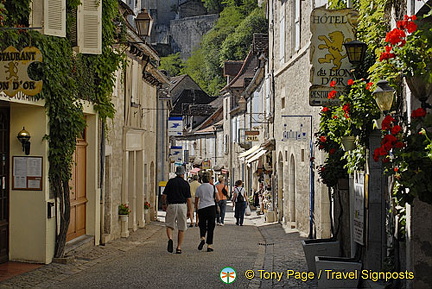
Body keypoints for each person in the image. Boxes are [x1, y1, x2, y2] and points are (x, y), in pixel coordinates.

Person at [161, 166, 192, 254]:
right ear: (183, 174)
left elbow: (164, 195)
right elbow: (189, 199)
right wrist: (190, 211)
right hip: (182, 206)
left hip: (172, 205)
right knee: (181, 228)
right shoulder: (185, 184)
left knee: (169, 225)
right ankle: (179, 247)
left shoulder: (171, 182)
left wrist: (164, 204)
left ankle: (170, 239)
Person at [195, 172, 219, 252]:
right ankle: (209, 245)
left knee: (202, 224)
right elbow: (218, 198)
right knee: (211, 226)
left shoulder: (199, 188)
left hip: (202, 207)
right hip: (211, 207)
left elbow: (196, 200)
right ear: (209, 179)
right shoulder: (213, 187)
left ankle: (202, 237)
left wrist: (196, 208)